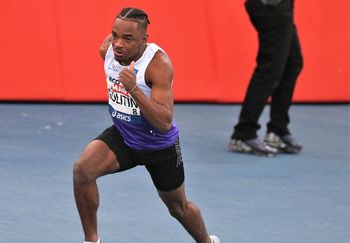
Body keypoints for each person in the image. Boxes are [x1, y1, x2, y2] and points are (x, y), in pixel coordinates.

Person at [73, 7, 219, 243]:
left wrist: (133, 89)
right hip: (124, 137)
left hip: (159, 146)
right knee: (82, 170)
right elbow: (109, 51)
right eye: (115, 35)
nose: (118, 44)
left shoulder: (158, 64)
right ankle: (92, 240)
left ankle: (207, 241)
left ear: (144, 40)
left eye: (128, 38)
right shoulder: (108, 51)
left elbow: (164, 122)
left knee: (178, 208)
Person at [229, 0, 303, 156]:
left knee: (292, 63)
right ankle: (244, 133)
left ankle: (277, 130)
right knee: (270, 69)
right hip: (271, 6)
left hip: (281, 6)